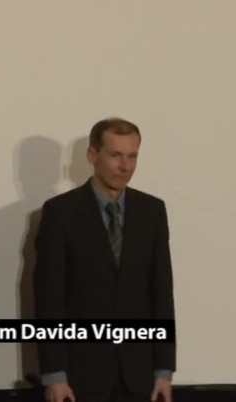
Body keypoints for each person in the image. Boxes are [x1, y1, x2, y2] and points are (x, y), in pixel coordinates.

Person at [33, 118, 176, 402]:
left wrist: (164, 369)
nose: (125, 166)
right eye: (115, 155)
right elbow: (50, 297)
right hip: (80, 377)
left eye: (132, 156)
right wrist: (55, 374)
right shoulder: (61, 212)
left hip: (139, 377)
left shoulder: (152, 211)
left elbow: (161, 293)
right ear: (92, 155)